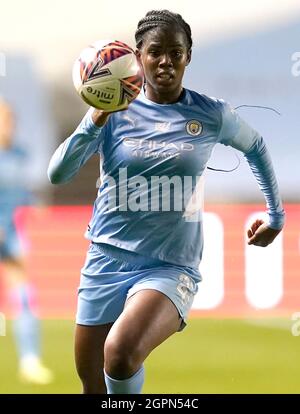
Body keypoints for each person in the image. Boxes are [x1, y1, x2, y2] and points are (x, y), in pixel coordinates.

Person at [47, 9, 285, 394]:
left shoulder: (210, 114)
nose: (166, 61)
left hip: (170, 267)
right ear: (138, 57)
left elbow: (256, 146)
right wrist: (95, 117)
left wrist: (275, 214)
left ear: (188, 56)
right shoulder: (114, 111)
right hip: (105, 259)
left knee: (121, 354)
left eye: (176, 52)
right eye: (156, 51)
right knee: (92, 383)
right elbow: (57, 173)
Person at [0, 99, 53, 385]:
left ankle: (30, 361)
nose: (7, 126)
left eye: (10, 120)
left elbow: (19, 189)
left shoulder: (19, 153)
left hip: (9, 234)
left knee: (24, 296)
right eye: (3, 120)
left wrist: (32, 202)